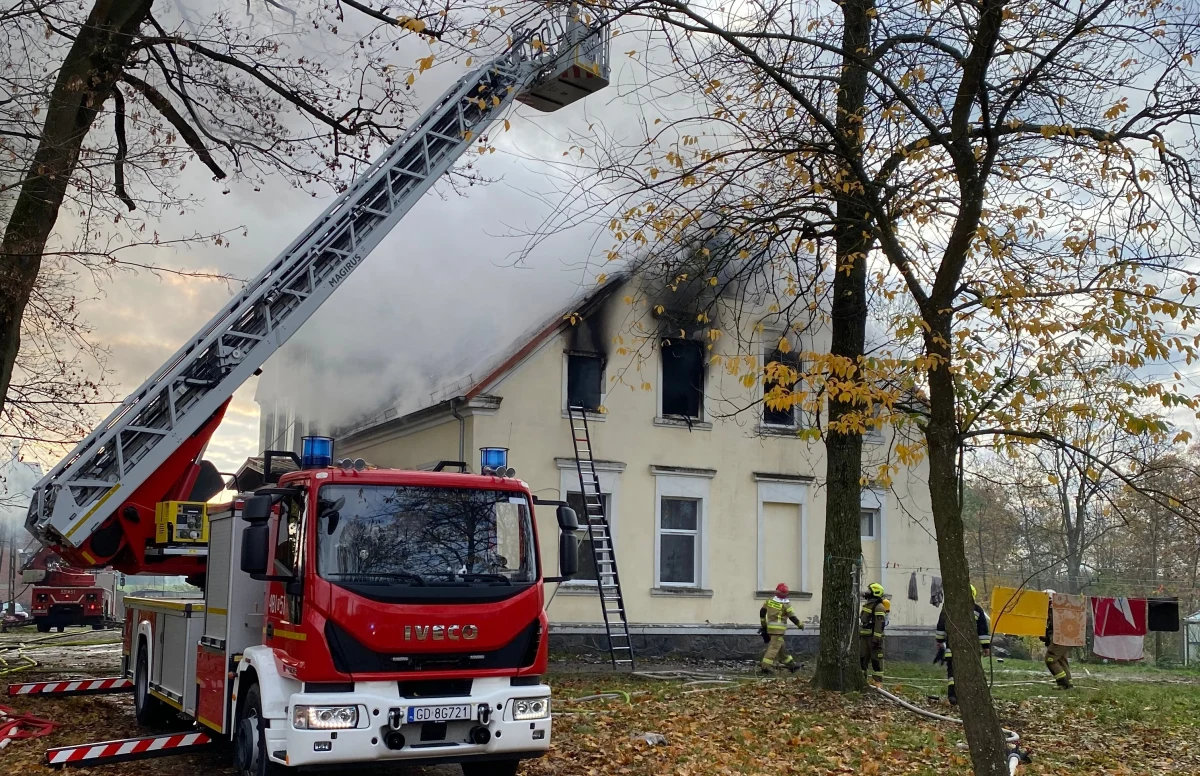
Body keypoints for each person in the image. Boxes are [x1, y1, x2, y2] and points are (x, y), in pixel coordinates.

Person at [933, 584, 992, 704]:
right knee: (971, 673)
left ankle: (953, 696)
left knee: (952, 674)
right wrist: (986, 647)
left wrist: (939, 642)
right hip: (971, 651)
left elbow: (940, 627)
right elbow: (983, 631)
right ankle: (971, 697)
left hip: (951, 650)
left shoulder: (948, 608)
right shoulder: (977, 610)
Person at [759, 583, 803, 673]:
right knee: (774, 648)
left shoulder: (769, 601)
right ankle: (765, 667)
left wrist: (763, 625)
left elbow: (762, 612)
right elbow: (792, 617)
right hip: (779, 630)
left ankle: (792, 665)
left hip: (770, 628)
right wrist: (800, 624)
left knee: (782, 649)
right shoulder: (786, 604)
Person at [1041, 589, 1072, 689]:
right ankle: (1068, 683)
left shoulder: (1055, 610)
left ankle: (1063, 683)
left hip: (1060, 638)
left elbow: (1055, 627)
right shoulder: (1061, 609)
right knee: (1062, 660)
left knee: (1050, 659)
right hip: (1067, 638)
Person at [859, 582, 887, 684]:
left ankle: (877, 683)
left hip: (874, 639)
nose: (867, 593)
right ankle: (862, 682)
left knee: (876, 661)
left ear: (875, 592)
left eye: (869, 591)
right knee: (862, 660)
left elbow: (880, 624)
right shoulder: (868, 604)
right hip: (864, 637)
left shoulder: (879, 607)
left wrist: (877, 638)